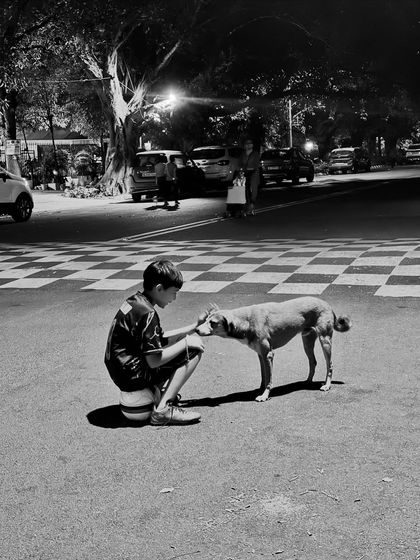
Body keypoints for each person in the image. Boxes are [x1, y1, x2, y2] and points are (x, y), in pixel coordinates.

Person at [104, 260, 210, 426]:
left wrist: (194, 328)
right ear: (159, 288)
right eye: (174, 292)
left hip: (122, 373)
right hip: (133, 375)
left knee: (186, 343)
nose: (174, 298)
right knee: (193, 350)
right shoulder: (148, 313)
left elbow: (158, 341)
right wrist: (186, 343)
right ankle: (163, 410)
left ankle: (160, 395)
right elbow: (154, 361)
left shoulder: (135, 302)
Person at [238, 139, 260, 215]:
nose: (248, 145)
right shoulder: (243, 154)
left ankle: (252, 204)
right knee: (245, 190)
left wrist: (252, 168)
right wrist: (241, 169)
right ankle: (246, 206)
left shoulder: (255, 154)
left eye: (249, 144)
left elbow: (256, 164)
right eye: (246, 144)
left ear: (252, 145)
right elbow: (240, 163)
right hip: (245, 173)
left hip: (254, 173)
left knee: (253, 190)